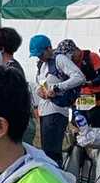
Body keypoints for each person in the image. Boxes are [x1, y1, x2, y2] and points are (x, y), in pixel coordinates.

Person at [30, 35, 85, 165]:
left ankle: (56, 173)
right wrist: (39, 90)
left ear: (49, 48)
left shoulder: (59, 59)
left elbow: (79, 77)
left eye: (41, 54)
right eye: (37, 55)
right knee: (47, 151)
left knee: (51, 153)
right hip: (45, 110)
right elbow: (39, 82)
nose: (39, 57)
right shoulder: (42, 64)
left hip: (57, 110)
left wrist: (57, 87)